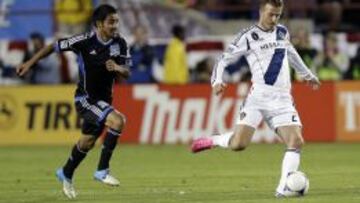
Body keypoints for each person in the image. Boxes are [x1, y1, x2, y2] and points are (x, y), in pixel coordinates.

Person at [191, 0, 320, 198]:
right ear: (261, 11)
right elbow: (223, 59)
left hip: (283, 99)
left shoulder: (282, 32)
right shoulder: (248, 36)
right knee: (239, 144)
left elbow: (291, 53)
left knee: (296, 140)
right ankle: (214, 140)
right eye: (271, 14)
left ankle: (283, 189)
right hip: (258, 98)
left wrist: (307, 74)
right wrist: (216, 81)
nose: (275, 19)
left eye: (278, 15)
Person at [16, 4, 131, 199]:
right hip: (85, 99)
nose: (115, 26)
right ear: (98, 24)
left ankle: (66, 173)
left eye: (116, 21)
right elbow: (53, 46)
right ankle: (102, 170)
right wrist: (29, 63)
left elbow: (127, 72)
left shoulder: (119, 43)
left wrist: (118, 69)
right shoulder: (84, 41)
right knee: (118, 121)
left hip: (104, 100)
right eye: (111, 22)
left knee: (87, 142)